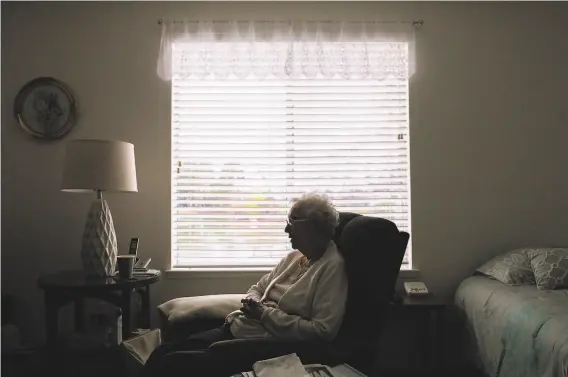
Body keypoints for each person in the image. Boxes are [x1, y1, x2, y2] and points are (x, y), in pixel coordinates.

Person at [141, 192, 348, 376]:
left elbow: (322, 331)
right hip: (240, 326)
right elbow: (257, 288)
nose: (286, 228)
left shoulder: (332, 268)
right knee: (161, 353)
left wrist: (264, 314)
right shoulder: (294, 257)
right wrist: (253, 303)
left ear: (312, 226)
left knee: (170, 364)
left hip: (265, 343)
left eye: (292, 221)